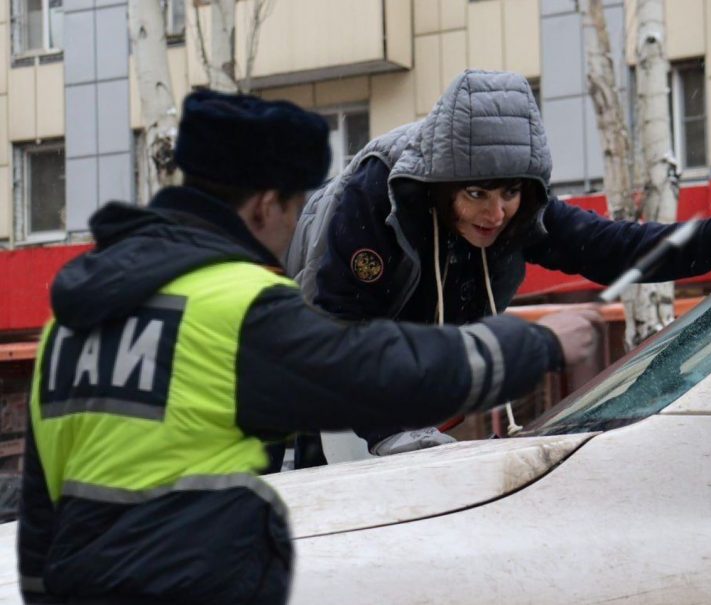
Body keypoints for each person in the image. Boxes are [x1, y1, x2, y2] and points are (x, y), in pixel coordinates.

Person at [17, 89, 599, 604]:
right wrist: (531, 343)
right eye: (297, 208)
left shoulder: (71, 329)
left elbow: (41, 523)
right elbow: (373, 372)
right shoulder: (236, 305)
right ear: (266, 204)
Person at [287, 70, 711, 459]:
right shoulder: (374, 197)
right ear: (440, 186)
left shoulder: (521, 215)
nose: (495, 214)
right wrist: (389, 430)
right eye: (476, 194)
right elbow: (336, 322)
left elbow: (613, 246)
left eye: (509, 193)